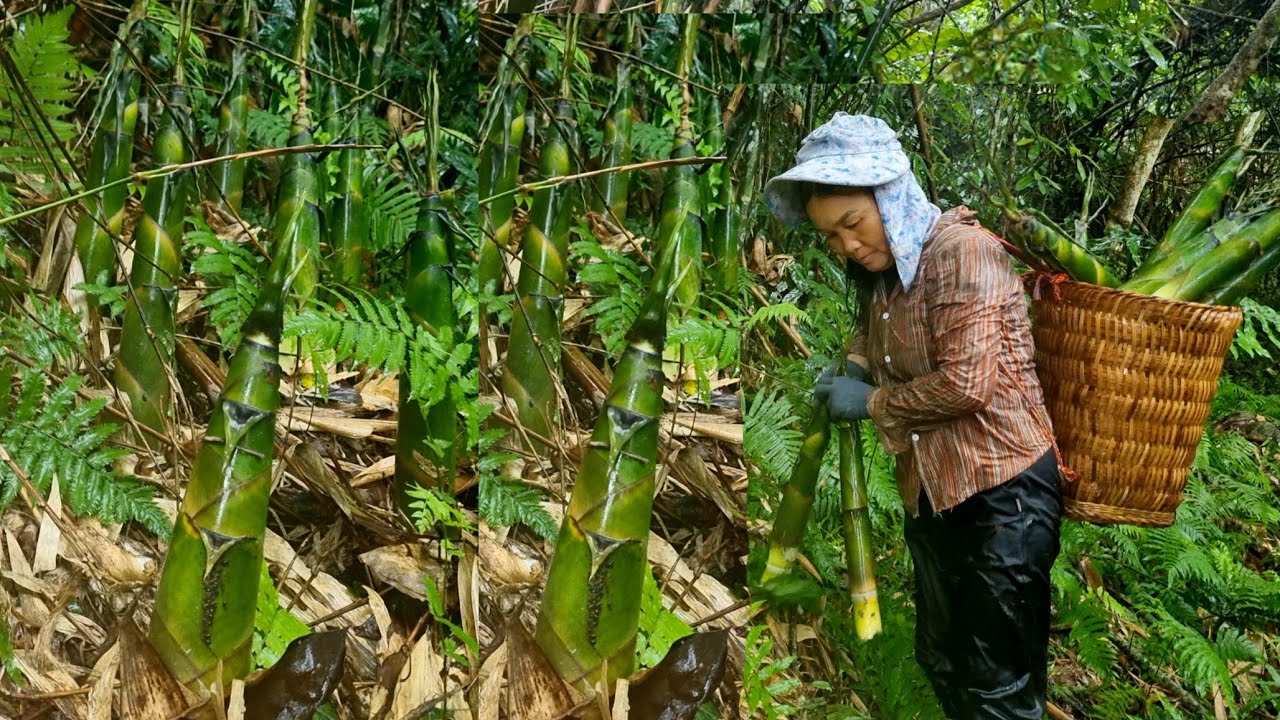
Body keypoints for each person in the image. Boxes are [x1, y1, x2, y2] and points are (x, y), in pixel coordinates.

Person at [763, 112, 1066, 719]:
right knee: (943, 657)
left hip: (1006, 494)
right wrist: (854, 365)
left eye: (853, 223)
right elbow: (874, 334)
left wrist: (871, 402)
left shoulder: (963, 254)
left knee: (995, 679)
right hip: (934, 493)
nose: (847, 245)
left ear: (890, 197)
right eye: (830, 235)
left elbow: (968, 383)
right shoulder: (883, 274)